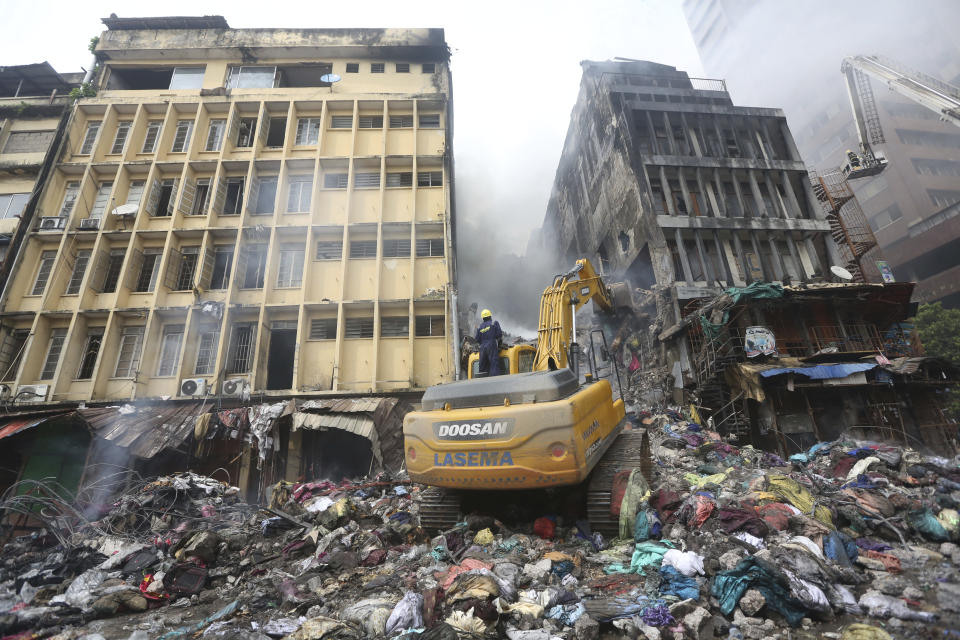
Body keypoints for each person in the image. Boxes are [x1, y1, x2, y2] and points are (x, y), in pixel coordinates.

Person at [475, 309, 503, 376]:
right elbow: (499, 334)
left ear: (483, 318)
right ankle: (494, 381)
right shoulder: (494, 323)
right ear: (490, 316)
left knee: (482, 366)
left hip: (482, 347)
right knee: (494, 364)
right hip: (491, 345)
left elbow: (477, 339)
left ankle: (483, 382)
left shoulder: (479, 327)